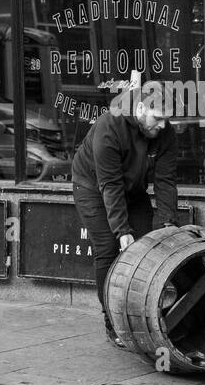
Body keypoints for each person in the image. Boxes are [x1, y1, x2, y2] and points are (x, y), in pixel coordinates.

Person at [71, 79, 179, 346]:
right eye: (158, 118)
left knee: (147, 249)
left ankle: (148, 317)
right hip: (93, 188)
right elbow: (110, 184)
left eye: (167, 119)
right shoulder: (109, 126)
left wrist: (167, 224)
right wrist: (122, 231)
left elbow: (166, 181)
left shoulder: (164, 133)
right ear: (141, 108)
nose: (163, 125)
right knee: (108, 250)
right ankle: (113, 323)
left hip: (133, 189)